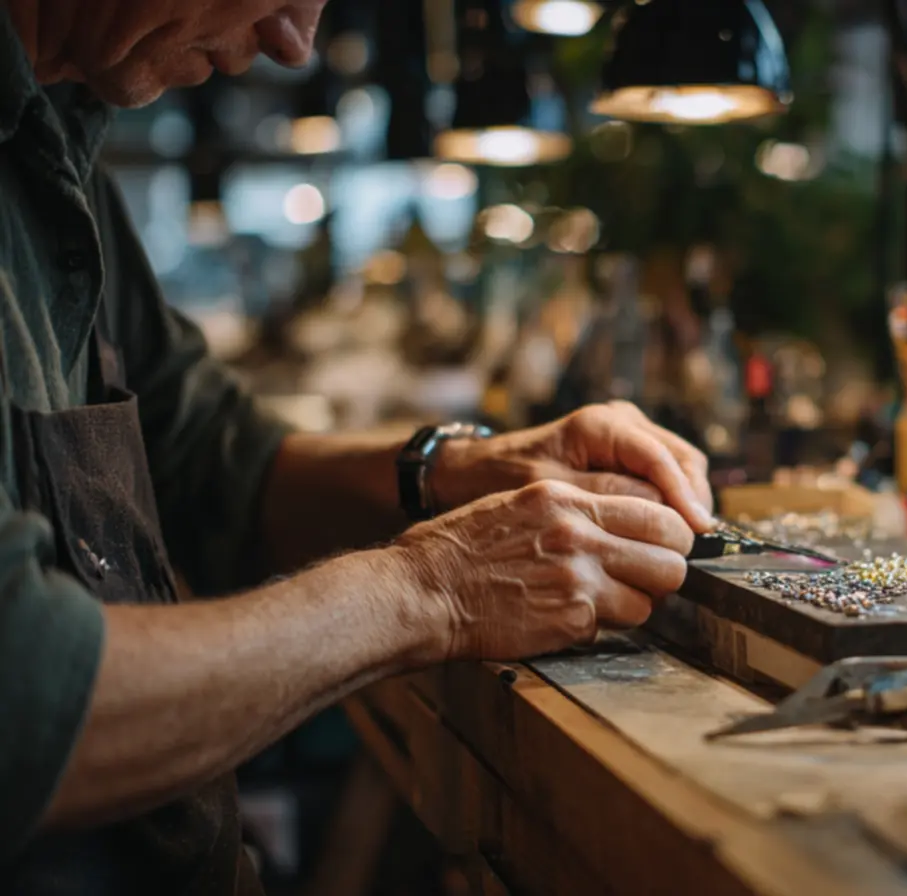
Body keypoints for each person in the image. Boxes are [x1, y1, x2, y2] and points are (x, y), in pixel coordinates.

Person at [0, 1, 716, 892]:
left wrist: (452, 470)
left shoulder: (56, 130)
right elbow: (25, 696)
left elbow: (210, 452)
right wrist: (433, 589)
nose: (292, 44)